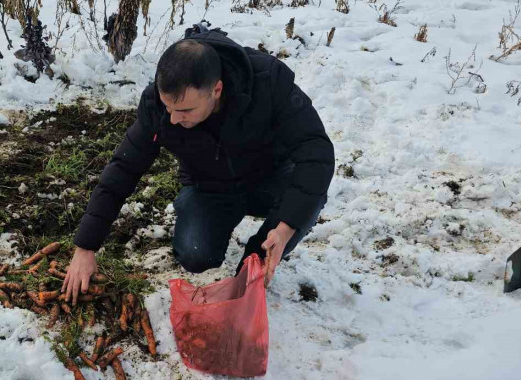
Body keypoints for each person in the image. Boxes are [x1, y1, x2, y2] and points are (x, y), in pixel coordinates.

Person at [62, 23, 334, 304]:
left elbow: (317, 153)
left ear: (216, 90)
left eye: (184, 110)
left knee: (306, 198)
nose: (173, 119)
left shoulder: (268, 81)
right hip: (211, 187)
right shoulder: (157, 106)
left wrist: (287, 223)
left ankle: (257, 256)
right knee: (195, 254)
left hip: (271, 178)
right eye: (169, 108)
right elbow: (123, 168)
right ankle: (201, 213)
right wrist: (86, 246)